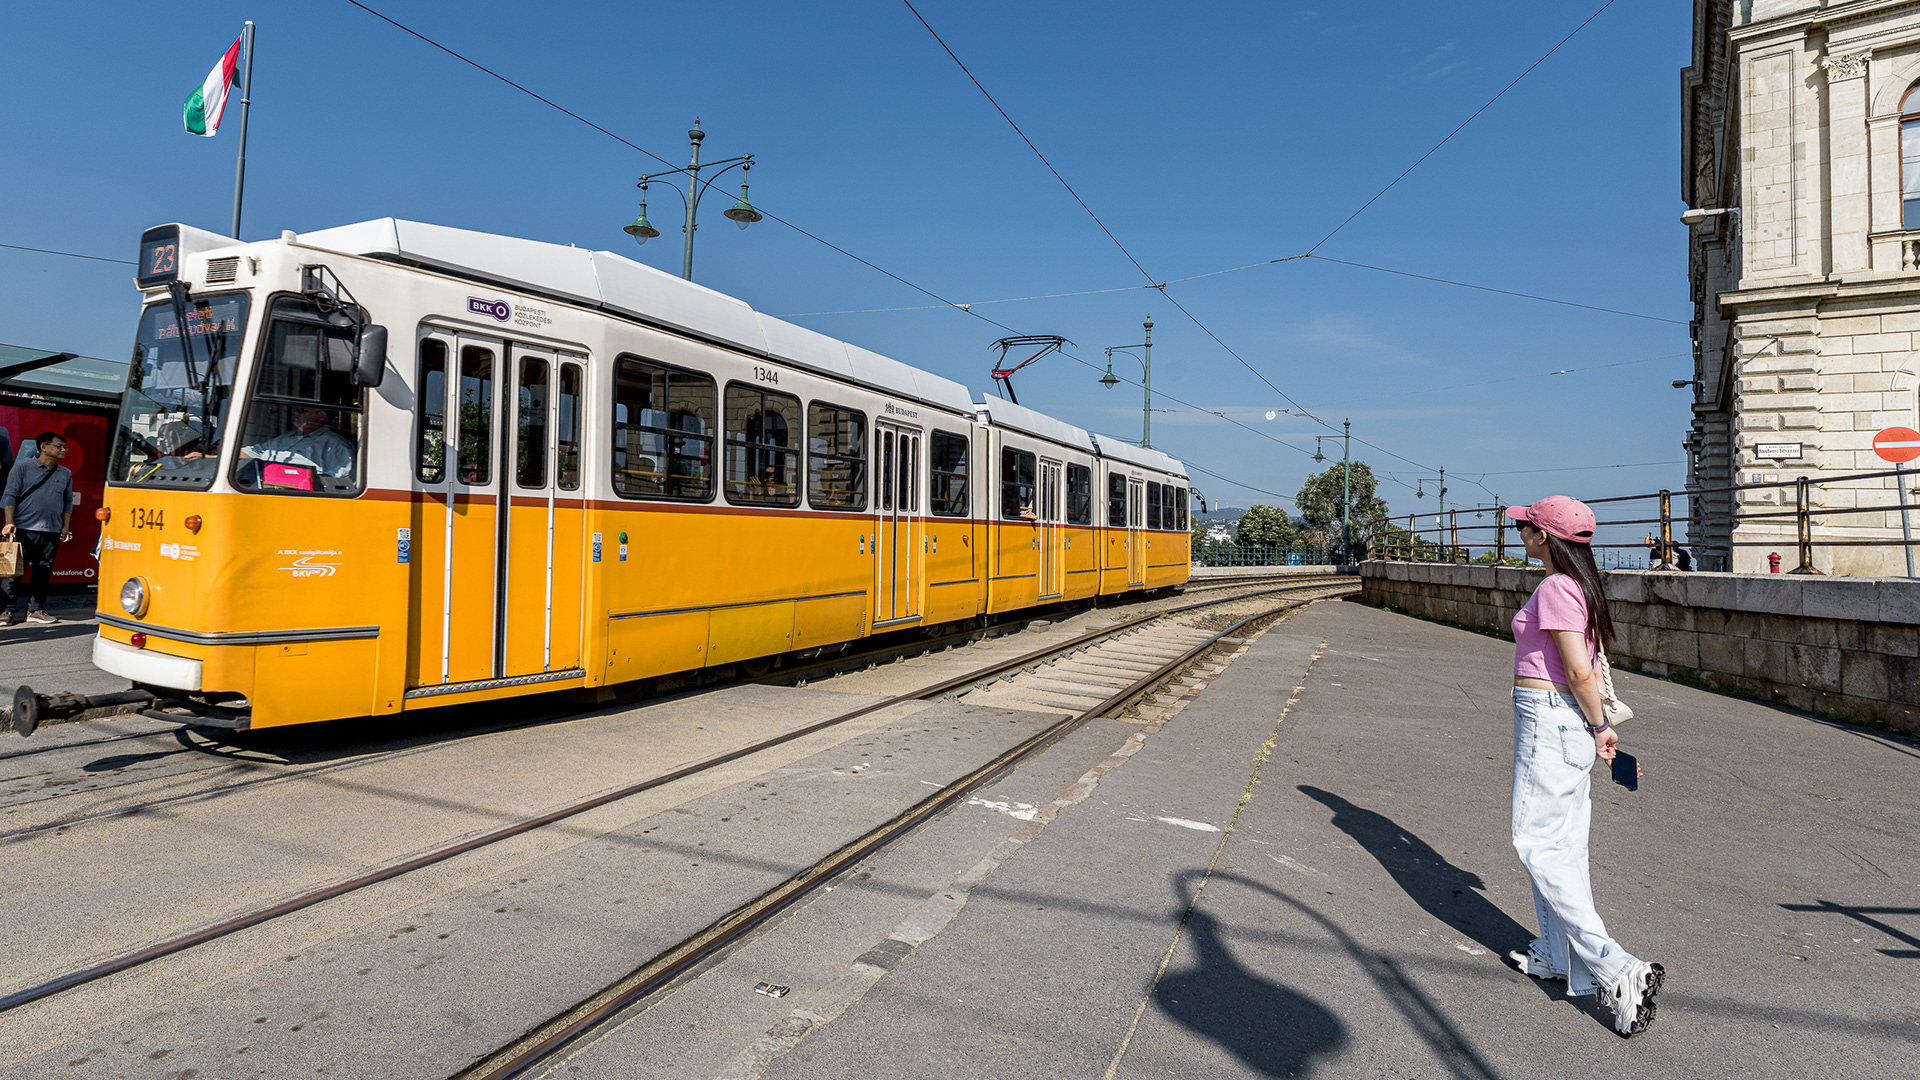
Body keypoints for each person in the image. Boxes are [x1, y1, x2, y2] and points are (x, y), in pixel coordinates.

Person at [1505, 495, 1663, 1037]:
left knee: (1535, 841)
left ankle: (1617, 968)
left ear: (1543, 537)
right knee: (1564, 848)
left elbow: (1577, 668)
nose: (1520, 531)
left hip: (1552, 719)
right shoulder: (1582, 588)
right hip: (1569, 721)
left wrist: (1600, 727)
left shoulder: (1555, 587)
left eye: (1526, 526)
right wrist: (1598, 727)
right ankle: (1554, 953)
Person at [1, 431, 75, 626]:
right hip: (22, 530)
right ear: (43, 446)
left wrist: (65, 527)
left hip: (51, 531)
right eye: (59, 446)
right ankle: (5, 611)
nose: (63, 450)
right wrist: (9, 522)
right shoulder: (22, 468)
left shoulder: (65, 473)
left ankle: (36, 610)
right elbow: (10, 496)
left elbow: (68, 502)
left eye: (64, 447)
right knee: (13, 573)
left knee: (43, 572)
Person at [242, 404, 354, 478]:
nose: (296, 414)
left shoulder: (334, 443)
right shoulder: (285, 437)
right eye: (296, 410)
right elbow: (254, 451)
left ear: (320, 416)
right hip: (258, 483)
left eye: (302, 411)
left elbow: (341, 477)